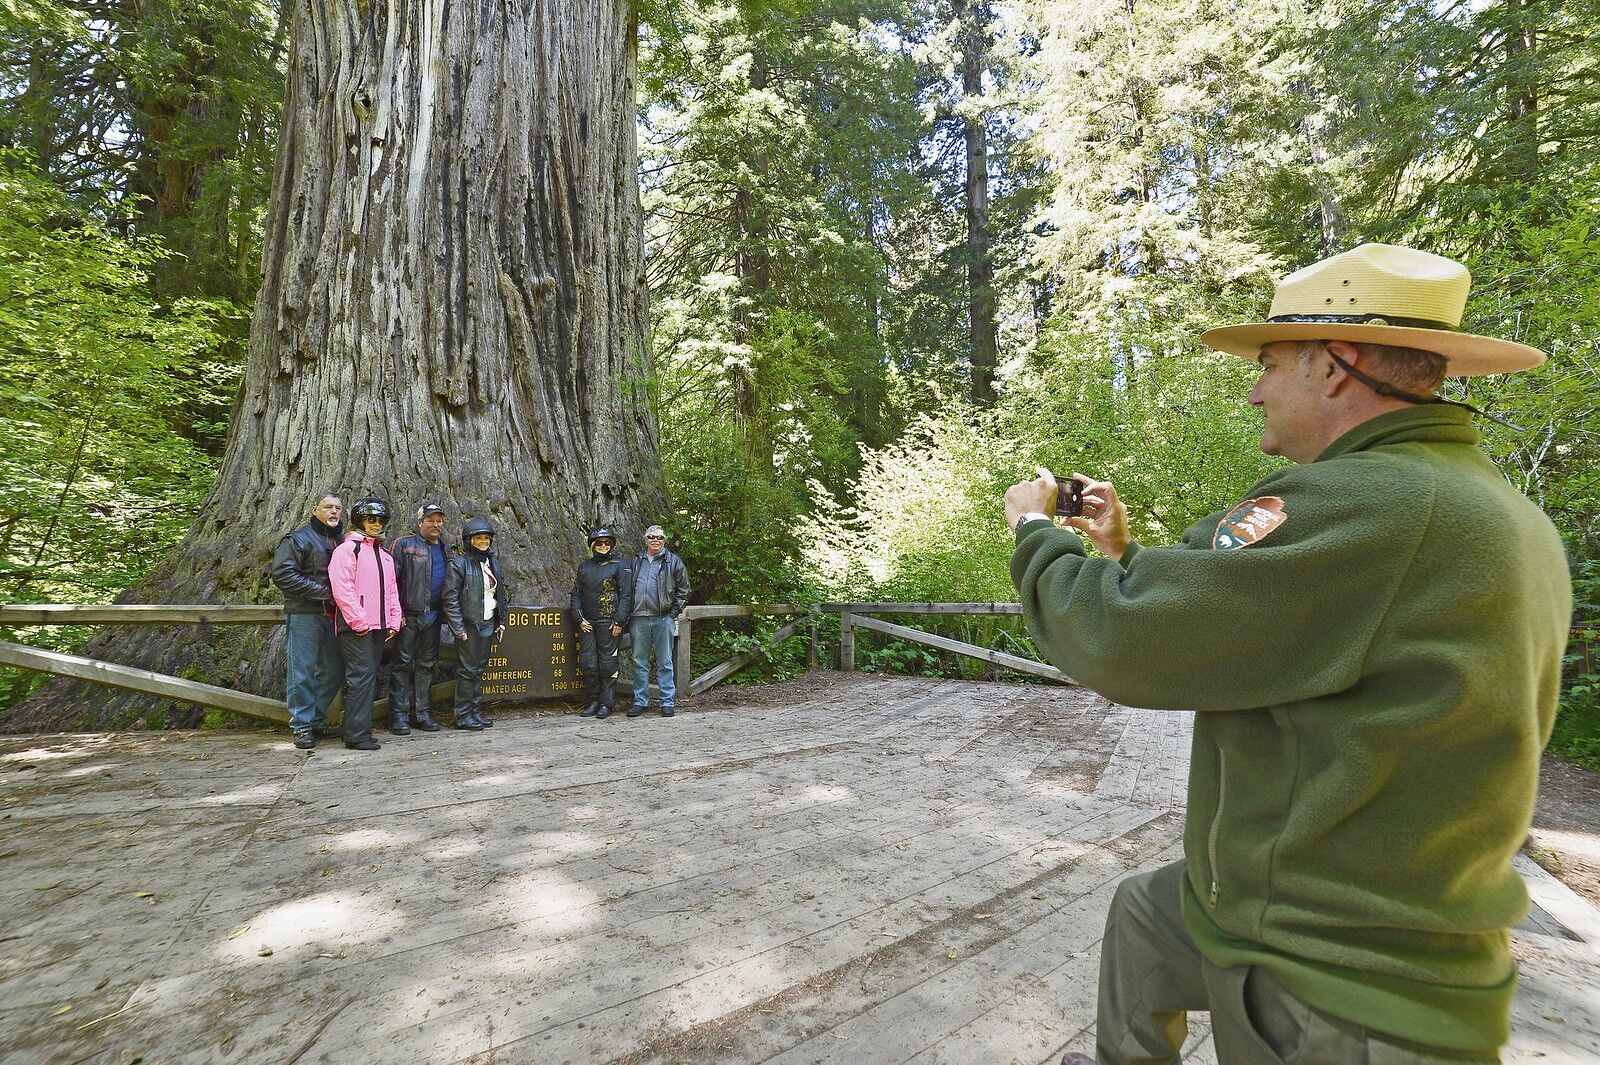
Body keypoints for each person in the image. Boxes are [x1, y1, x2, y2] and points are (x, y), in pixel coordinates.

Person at [1005, 244, 1572, 1065]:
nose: (1253, 388)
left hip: (1334, 980)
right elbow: (1239, 617)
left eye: (1270, 363)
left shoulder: (1373, 502)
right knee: (1144, 914)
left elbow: (1122, 638)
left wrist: (1034, 534)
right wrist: (1122, 549)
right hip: (1368, 918)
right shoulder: (1488, 509)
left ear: (1336, 368)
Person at [269, 491, 346, 750]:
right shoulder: (298, 539)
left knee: (335, 669)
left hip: (335, 615)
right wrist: (325, 593)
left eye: (338, 508)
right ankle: (302, 726)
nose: (334, 512)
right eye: (328, 507)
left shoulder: (342, 542)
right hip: (305, 613)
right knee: (301, 670)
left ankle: (314, 719)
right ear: (315, 510)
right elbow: (283, 574)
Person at [327, 499, 404, 752]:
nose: (376, 524)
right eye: (371, 520)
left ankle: (360, 729)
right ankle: (355, 734)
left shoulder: (384, 555)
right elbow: (342, 589)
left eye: (380, 520)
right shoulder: (348, 550)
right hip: (355, 625)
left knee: (368, 677)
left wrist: (393, 619)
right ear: (360, 521)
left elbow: (392, 590)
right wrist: (358, 620)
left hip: (379, 625)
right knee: (361, 677)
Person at [389, 503, 452, 734]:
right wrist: (397, 613)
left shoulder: (446, 549)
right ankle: (399, 715)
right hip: (409, 616)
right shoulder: (405, 545)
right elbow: (391, 581)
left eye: (439, 520)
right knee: (401, 665)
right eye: (430, 520)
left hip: (434, 616)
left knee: (426, 665)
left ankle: (423, 714)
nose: (435, 524)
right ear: (420, 523)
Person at [443, 517, 508, 731]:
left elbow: (499, 594)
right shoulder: (459, 564)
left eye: (486, 538)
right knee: (467, 670)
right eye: (478, 538)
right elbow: (450, 598)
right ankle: (462, 716)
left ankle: (474, 711)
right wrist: (458, 627)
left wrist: (501, 621)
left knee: (478, 669)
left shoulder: (493, 563)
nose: (483, 541)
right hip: (469, 625)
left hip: (488, 622)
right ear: (469, 540)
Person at [569, 526, 633, 719]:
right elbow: (576, 595)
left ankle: (606, 703)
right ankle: (593, 701)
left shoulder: (621, 565)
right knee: (588, 663)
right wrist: (579, 619)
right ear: (592, 545)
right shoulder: (585, 567)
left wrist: (620, 621)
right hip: (588, 623)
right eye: (599, 543)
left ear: (611, 545)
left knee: (607, 664)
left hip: (610, 622)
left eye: (606, 543)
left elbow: (627, 595)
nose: (603, 546)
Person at [628, 525, 690, 717]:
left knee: (665, 661)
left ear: (665, 540)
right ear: (645, 539)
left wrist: (672, 614)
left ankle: (666, 702)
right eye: (651, 537)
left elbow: (684, 590)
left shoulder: (673, 561)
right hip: (638, 618)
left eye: (660, 537)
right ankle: (640, 701)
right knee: (639, 661)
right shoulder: (636, 560)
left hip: (663, 618)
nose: (655, 540)